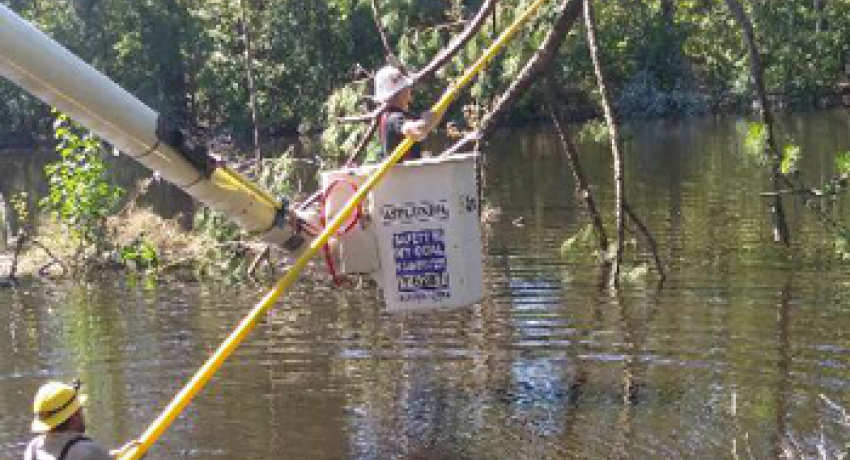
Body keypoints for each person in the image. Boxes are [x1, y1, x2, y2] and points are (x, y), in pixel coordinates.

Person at [24, 380, 135, 460]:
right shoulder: (88, 451)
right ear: (74, 416)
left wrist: (113, 455)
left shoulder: (33, 448)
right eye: (80, 409)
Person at [373, 66, 442, 161]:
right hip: (407, 173)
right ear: (400, 92)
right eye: (406, 88)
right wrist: (425, 121)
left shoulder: (390, 116)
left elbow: (430, 123)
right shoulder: (394, 118)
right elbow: (415, 131)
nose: (409, 91)